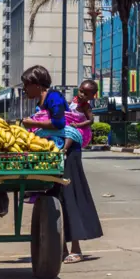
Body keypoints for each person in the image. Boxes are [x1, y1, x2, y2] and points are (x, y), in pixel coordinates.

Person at [20, 65, 102, 264]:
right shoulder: (41, 100)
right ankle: (61, 247)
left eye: (27, 85)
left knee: (69, 196)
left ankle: (76, 248)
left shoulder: (53, 97)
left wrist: (32, 124)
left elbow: (58, 123)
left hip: (68, 152)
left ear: (38, 86)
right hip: (53, 152)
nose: (25, 90)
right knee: (52, 195)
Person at [66, 80, 98, 148]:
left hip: (82, 130)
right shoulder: (74, 99)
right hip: (71, 125)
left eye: (86, 94)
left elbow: (91, 120)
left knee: (71, 134)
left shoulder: (86, 106)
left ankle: (64, 149)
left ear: (91, 97)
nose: (81, 95)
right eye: (81, 91)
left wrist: (78, 125)